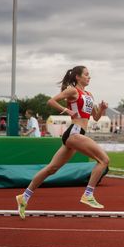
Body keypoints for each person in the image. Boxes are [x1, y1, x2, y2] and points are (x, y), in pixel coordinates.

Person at [16, 66, 109, 218]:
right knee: (104, 160)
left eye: (89, 75)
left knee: (51, 169)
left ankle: (24, 197)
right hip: (74, 133)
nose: (89, 77)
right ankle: (88, 194)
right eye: (86, 74)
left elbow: (96, 117)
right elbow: (51, 101)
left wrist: (103, 109)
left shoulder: (90, 95)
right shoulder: (72, 91)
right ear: (78, 77)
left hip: (77, 134)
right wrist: (67, 111)